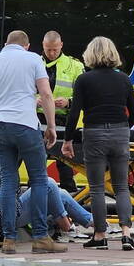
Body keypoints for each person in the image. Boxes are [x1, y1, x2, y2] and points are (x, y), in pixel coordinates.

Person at [0, 30, 66, 254]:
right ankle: (41, 238)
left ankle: (9, 239)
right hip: (26, 125)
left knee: (8, 181)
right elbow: (45, 94)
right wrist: (51, 126)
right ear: (26, 46)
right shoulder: (33, 59)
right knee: (39, 181)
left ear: (6, 44)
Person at [62, 36, 134, 251]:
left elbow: (74, 113)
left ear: (90, 55)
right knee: (121, 186)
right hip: (120, 133)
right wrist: (124, 127)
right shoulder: (124, 79)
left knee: (96, 188)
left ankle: (100, 235)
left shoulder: (84, 80)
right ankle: (126, 234)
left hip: (94, 133)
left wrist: (68, 140)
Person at [0, 147, 92, 248]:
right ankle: (74, 227)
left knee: (60, 193)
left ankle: (89, 223)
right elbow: (14, 191)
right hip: (5, 214)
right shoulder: (8, 156)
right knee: (49, 184)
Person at [38, 31, 84, 193]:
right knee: (37, 155)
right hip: (38, 117)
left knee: (64, 158)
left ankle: (68, 190)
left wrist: (68, 102)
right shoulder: (34, 63)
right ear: (43, 45)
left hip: (63, 118)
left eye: (55, 50)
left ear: (61, 45)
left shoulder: (75, 66)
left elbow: (83, 94)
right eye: (48, 49)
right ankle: (36, 187)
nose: (51, 53)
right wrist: (34, 100)